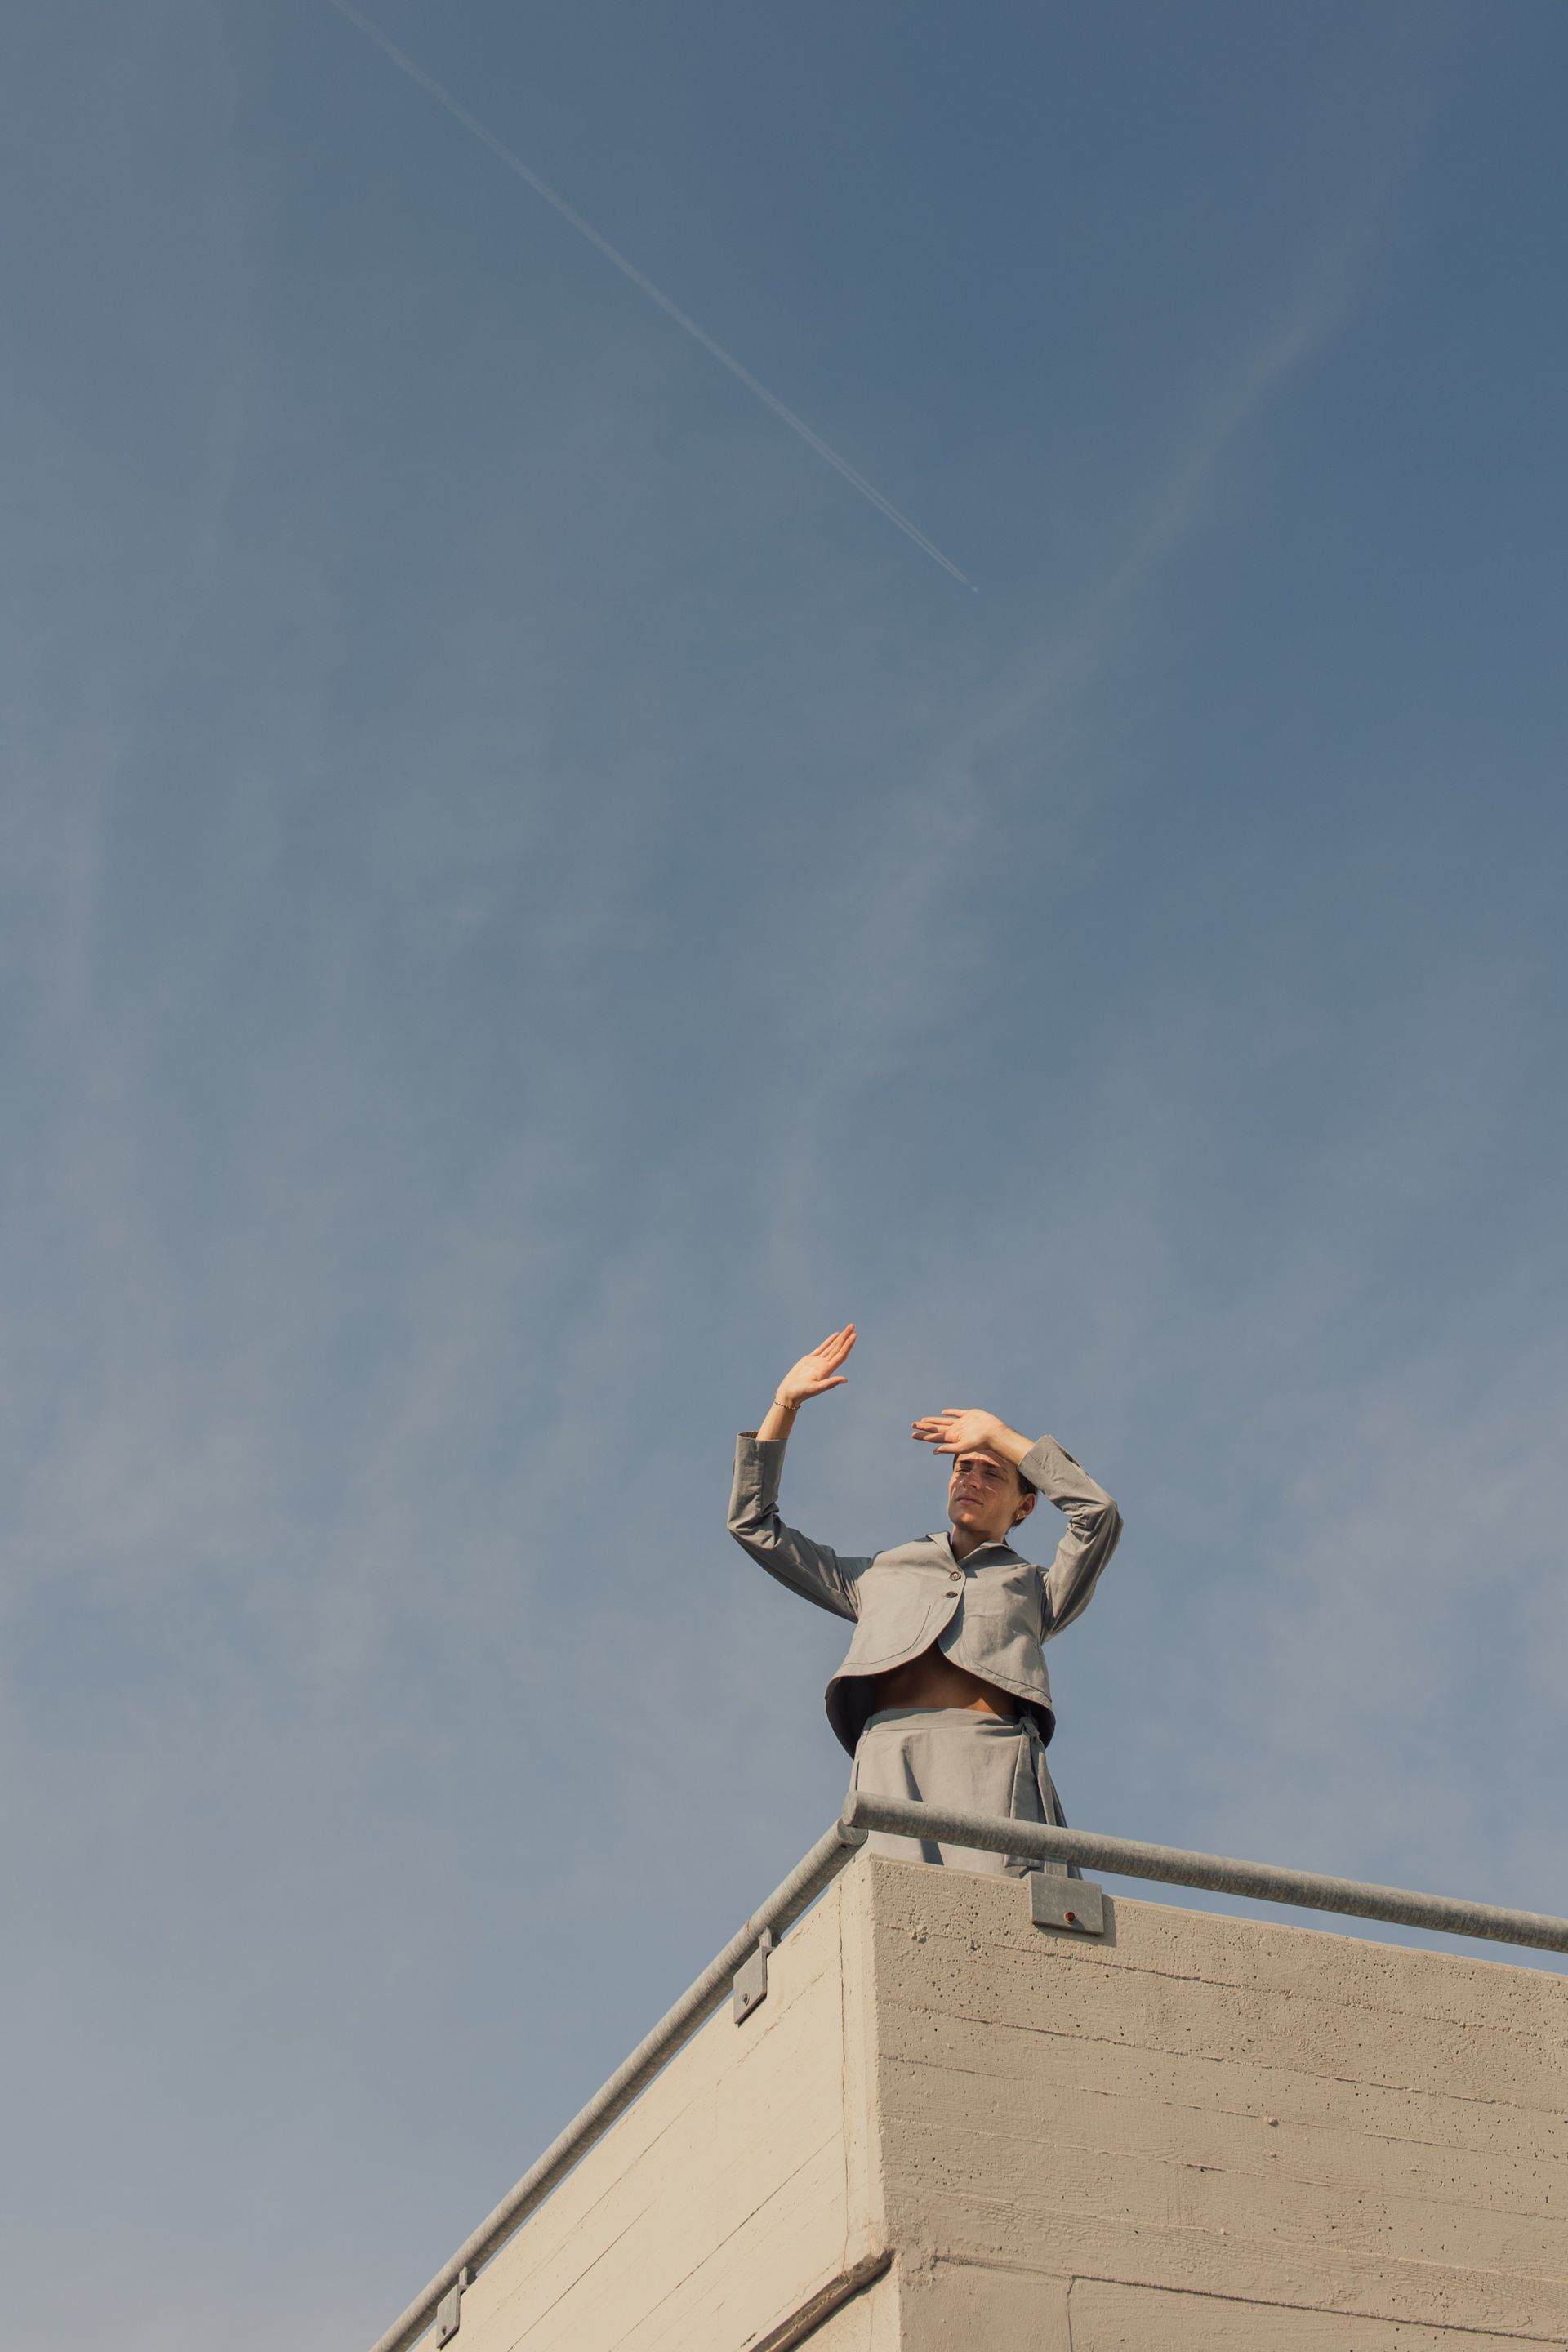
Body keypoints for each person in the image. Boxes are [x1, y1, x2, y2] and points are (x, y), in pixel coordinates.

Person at [728, 1324, 1122, 1875]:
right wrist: (784, 1404)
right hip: (890, 1757)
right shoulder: (881, 1572)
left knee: (1008, 1919)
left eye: (993, 1473)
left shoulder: (1036, 1587)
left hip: (994, 1760)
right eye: (964, 1467)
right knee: (900, 1924)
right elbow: (754, 1524)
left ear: (1025, 1506)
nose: (973, 1480)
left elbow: (1097, 1516)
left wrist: (1001, 1434)